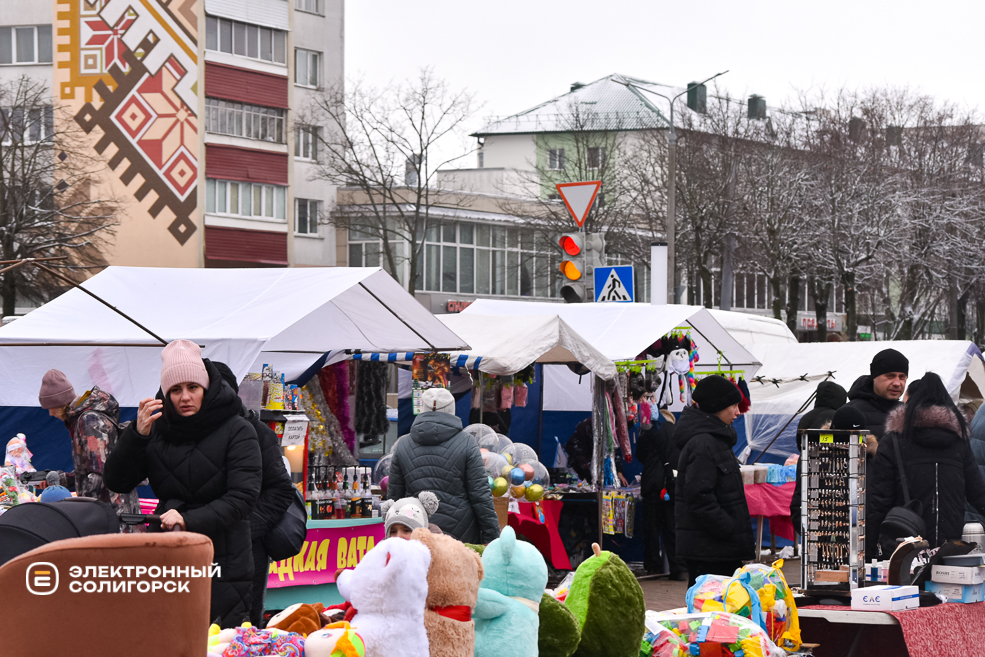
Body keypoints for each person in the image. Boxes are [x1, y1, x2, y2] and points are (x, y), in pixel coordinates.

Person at [104, 340, 262, 627]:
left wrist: (188, 519)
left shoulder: (238, 429)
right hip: (167, 548)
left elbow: (243, 497)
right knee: (166, 632)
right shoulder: (157, 428)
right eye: (175, 390)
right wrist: (137, 436)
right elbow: (117, 480)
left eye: (193, 387)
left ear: (206, 387)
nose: (184, 397)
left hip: (222, 555)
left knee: (215, 636)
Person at [214, 361, 297, 627]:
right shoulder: (196, 432)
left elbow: (281, 490)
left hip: (249, 547)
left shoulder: (259, 433)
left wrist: (245, 531)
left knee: (244, 625)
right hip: (207, 545)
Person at [867, 373, 985, 559]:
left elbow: (879, 501)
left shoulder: (894, 442)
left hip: (904, 548)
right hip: (950, 549)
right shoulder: (959, 442)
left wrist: (869, 552)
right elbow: (978, 495)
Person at [387, 387, 500, 544]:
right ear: (452, 410)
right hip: (461, 536)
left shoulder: (403, 444)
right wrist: (492, 537)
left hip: (416, 531)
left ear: (423, 409)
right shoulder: (467, 443)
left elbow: (394, 498)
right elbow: (480, 496)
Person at [675, 375, 754, 587]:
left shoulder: (715, 440)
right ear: (717, 407)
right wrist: (727, 527)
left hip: (718, 550)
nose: (738, 412)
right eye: (734, 406)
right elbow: (699, 496)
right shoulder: (703, 444)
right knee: (713, 613)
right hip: (710, 552)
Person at [38, 369, 140, 516]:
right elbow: (92, 469)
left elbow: (99, 474)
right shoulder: (84, 418)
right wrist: (62, 480)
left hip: (113, 514)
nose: (50, 414)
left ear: (59, 403)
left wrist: (81, 508)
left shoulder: (89, 421)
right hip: (108, 510)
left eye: (50, 408)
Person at [637, 409, 686, 580]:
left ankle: (653, 567)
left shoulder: (648, 435)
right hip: (671, 484)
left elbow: (640, 456)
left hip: (652, 485)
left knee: (651, 528)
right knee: (672, 528)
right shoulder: (678, 436)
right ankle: (677, 568)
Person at [845, 348, 909, 453]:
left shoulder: (909, 413)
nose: (897, 383)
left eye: (902, 377)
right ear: (874, 377)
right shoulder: (851, 412)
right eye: (890, 376)